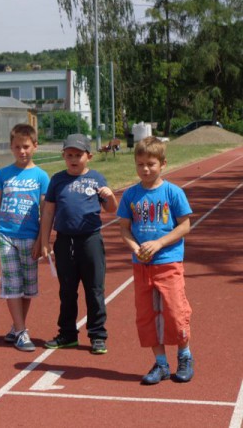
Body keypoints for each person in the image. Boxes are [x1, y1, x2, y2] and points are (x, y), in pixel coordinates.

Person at [117, 136, 194, 384]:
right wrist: (135, 248)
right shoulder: (130, 195)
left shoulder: (173, 192)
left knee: (175, 312)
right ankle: (161, 364)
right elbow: (124, 228)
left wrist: (159, 243)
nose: (145, 169)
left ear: (163, 164)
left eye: (151, 164)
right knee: (146, 316)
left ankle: (184, 356)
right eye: (140, 164)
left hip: (168, 263)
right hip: (142, 267)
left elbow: (184, 226)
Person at [40, 133, 117, 355]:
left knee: (94, 289)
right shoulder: (57, 180)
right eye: (69, 155)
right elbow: (49, 211)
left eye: (78, 155)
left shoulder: (97, 178)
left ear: (89, 156)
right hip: (64, 241)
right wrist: (45, 241)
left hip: (90, 240)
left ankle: (97, 335)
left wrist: (110, 196)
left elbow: (111, 209)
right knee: (67, 290)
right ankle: (67, 334)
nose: (74, 159)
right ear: (63, 156)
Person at [0, 123, 50, 352]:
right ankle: (22, 331)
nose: (22, 151)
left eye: (26, 147)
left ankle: (16, 326)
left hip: (30, 237)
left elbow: (46, 211)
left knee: (27, 287)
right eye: (17, 147)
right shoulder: (3, 174)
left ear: (35, 146)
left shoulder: (41, 176)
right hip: (6, 235)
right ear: (11, 148)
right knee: (12, 284)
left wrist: (42, 240)